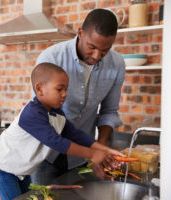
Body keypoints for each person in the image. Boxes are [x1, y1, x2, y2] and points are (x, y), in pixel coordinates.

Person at [0, 63, 125, 200]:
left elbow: (74, 134)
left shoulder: (56, 113)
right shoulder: (32, 113)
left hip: (21, 169)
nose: (64, 94)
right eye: (59, 89)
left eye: (66, 89)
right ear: (40, 89)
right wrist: (93, 154)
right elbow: (57, 142)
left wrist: (105, 150)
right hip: (4, 166)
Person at [31, 8, 126, 184]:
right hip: (46, 156)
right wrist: (93, 152)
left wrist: (101, 148)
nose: (97, 56)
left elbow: (109, 112)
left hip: (82, 158)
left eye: (105, 50)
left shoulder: (117, 64)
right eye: (92, 47)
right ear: (80, 33)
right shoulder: (51, 58)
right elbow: (42, 116)